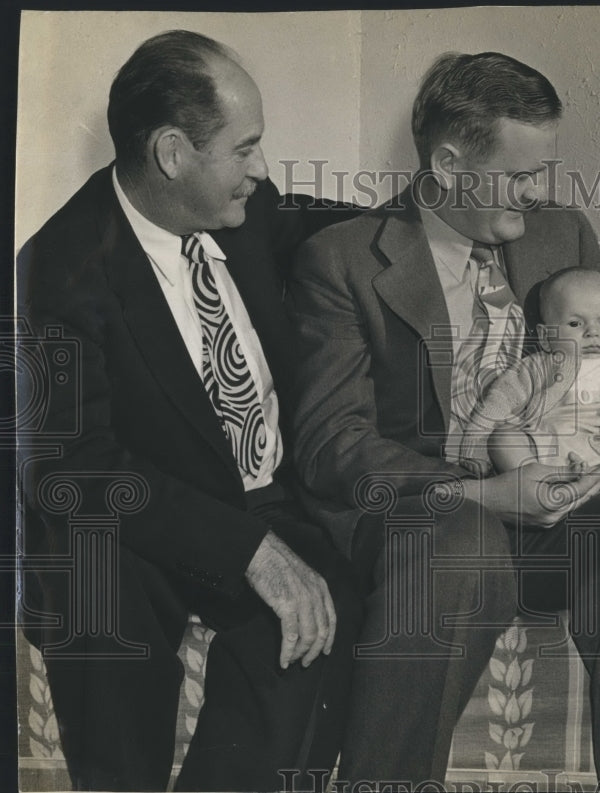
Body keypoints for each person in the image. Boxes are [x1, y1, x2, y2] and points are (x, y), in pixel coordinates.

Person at [288, 51, 600, 788]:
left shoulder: (562, 237)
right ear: (451, 163)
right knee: (461, 542)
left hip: (563, 503)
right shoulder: (341, 261)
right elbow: (332, 442)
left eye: (543, 172)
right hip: (434, 519)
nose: (539, 193)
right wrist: (486, 494)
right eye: (521, 176)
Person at [17, 31, 362, 791]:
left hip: (268, 492)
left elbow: (327, 219)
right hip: (148, 514)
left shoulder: (252, 211)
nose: (262, 170)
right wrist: (246, 548)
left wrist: (439, 209)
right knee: (95, 593)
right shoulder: (58, 272)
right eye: (245, 149)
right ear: (173, 153)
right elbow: (72, 467)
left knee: (322, 607)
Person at [461, 267, 600, 475]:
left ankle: (594, 490)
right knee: (503, 439)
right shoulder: (537, 366)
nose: (592, 332)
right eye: (575, 324)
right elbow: (498, 401)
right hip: (545, 452)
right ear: (545, 337)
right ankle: (545, 484)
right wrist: (474, 443)